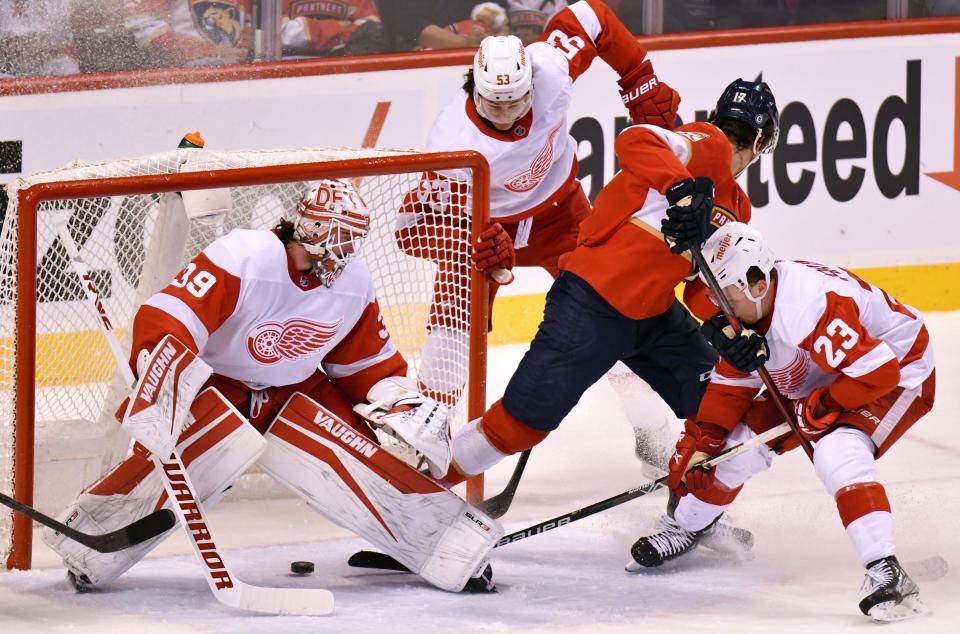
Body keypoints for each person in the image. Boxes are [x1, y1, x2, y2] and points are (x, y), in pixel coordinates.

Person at [41, 178, 491, 592]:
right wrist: (162, 375)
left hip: (297, 391)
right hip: (221, 389)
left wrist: (400, 400)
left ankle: (450, 546)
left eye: (356, 238)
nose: (349, 249)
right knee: (171, 463)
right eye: (342, 236)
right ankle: (88, 549)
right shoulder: (246, 256)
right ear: (313, 228)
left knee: (366, 463)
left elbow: (365, 364)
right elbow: (171, 317)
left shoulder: (353, 283)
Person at [432, 76, 779, 542]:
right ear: (763, 140)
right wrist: (681, 188)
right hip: (592, 303)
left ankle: (690, 513)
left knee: (717, 406)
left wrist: (724, 325)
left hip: (652, 316)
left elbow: (701, 281)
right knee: (521, 422)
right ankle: (420, 490)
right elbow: (635, 139)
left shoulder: (736, 204)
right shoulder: (708, 145)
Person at [396, 0, 685, 471]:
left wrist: (638, 77)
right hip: (485, 233)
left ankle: (653, 431)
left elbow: (593, 16)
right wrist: (471, 244)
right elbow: (410, 230)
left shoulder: (549, 67)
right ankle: (426, 437)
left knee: (609, 318)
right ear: (474, 89)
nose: (508, 112)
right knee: (451, 323)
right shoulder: (452, 146)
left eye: (516, 100)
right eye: (495, 103)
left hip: (563, 216)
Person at [630, 222, 935, 622]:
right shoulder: (752, 305)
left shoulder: (806, 307)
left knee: (837, 448)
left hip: (897, 369)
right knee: (730, 448)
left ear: (757, 285)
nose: (719, 307)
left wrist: (824, 403)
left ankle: (886, 570)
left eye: (726, 296)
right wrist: (704, 440)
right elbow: (733, 383)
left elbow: (878, 374)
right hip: (827, 366)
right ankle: (687, 526)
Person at [122, 0, 252, 68]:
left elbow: (248, 23)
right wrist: (207, 51)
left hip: (236, 75)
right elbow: (143, 23)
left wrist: (246, 51)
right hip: (180, 78)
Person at [279, 0, 387, 58]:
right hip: (290, 62)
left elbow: (371, 29)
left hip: (341, 60)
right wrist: (340, 27)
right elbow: (278, 35)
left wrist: (305, 28)